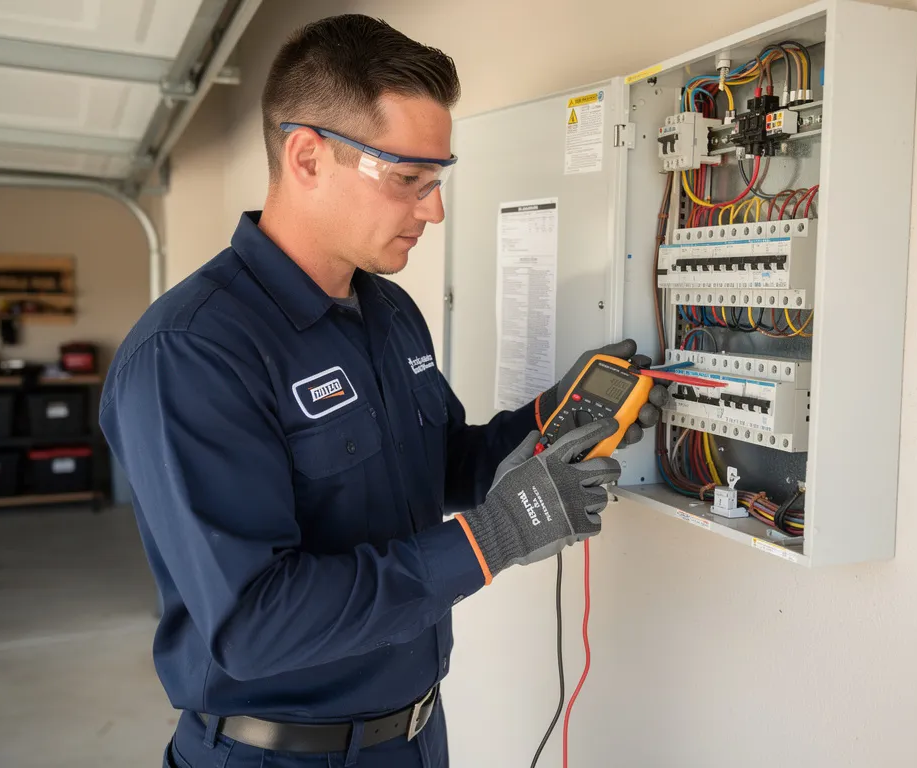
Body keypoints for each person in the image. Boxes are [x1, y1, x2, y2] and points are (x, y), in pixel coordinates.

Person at [100, 15, 666, 768]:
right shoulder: (193, 354)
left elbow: (440, 466)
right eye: (409, 179)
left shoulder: (388, 311)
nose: (433, 209)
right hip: (277, 755)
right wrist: (495, 536)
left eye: (438, 181)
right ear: (306, 156)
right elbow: (254, 623)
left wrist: (549, 418)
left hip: (416, 737)